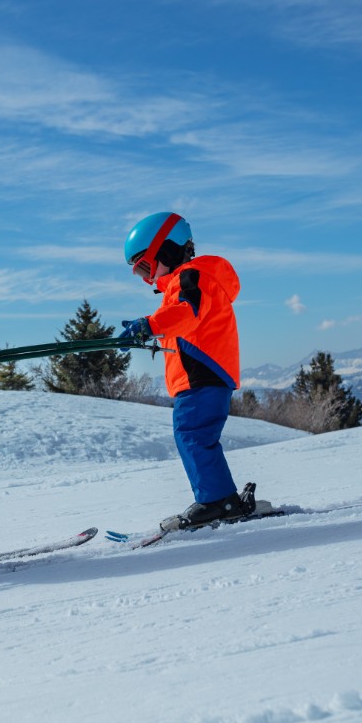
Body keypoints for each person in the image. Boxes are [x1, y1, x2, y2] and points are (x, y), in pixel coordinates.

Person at [120, 212, 253, 530]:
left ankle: (217, 500)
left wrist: (149, 325)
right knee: (195, 436)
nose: (145, 278)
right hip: (201, 376)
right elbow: (183, 321)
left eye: (144, 267)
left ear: (165, 251)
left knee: (193, 435)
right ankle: (220, 498)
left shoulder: (192, 277)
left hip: (202, 375)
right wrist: (150, 331)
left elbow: (188, 312)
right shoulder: (185, 282)